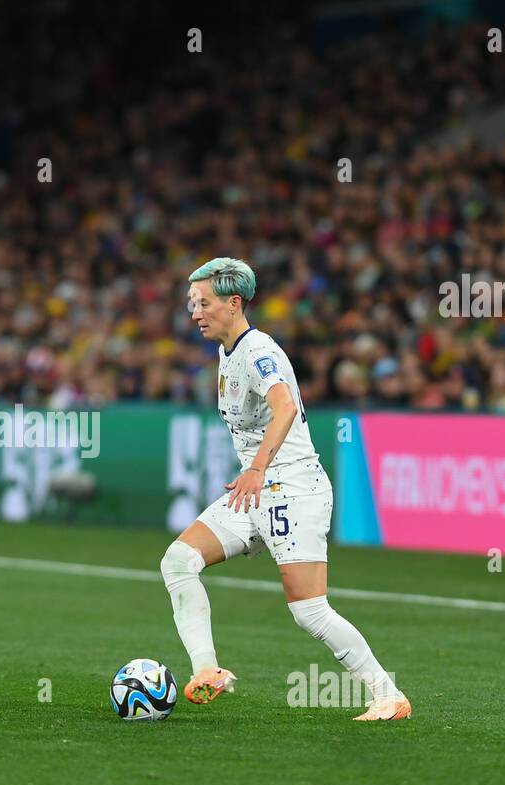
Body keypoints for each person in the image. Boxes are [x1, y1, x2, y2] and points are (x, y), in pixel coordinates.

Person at [163, 258, 411, 720]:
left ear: (234, 304)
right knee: (179, 560)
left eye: (203, 303)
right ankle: (207, 670)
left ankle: (387, 694)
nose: (194, 312)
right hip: (254, 490)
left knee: (310, 611)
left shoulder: (260, 352)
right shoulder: (227, 350)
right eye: (191, 303)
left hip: (292, 488)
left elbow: (286, 408)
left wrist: (256, 468)